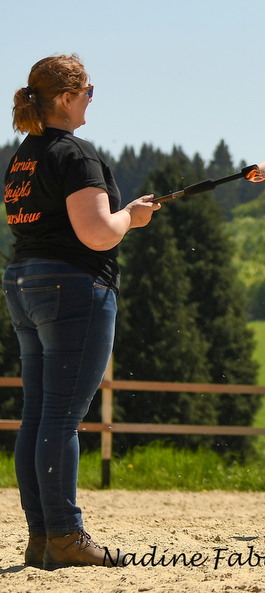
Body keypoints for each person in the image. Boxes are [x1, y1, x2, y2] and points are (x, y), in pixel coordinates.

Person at [4, 55, 160, 569]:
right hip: (73, 289)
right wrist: (131, 219)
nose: (92, 98)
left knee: (38, 416)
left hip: (24, 284)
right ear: (67, 98)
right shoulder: (76, 154)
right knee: (62, 421)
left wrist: (121, 215)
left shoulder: (24, 156)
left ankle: (42, 536)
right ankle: (66, 536)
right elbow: (95, 233)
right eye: (88, 91)